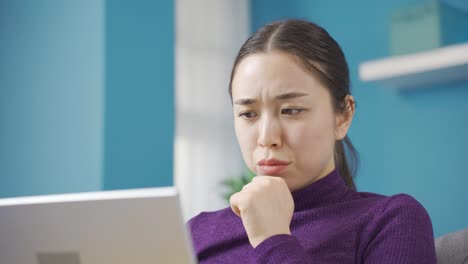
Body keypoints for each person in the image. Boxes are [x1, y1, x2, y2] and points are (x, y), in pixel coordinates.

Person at [188, 19, 437, 263]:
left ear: (343, 115)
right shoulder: (196, 232)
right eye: (248, 114)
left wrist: (271, 239)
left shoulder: (391, 220)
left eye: (291, 110)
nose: (266, 138)